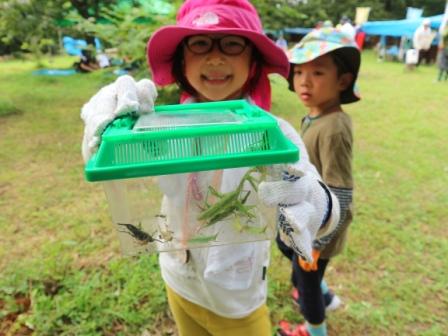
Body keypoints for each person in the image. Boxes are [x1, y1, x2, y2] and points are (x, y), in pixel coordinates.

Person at [80, 1, 341, 335]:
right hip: (177, 280)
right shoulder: (161, 126)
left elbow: (322, 207)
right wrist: (103, 131)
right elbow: (103, 161)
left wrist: (317, 204)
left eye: (233, 44)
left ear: (253, 60)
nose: (216, 57)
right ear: (181, 60)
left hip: (237, 299)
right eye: (199, 43)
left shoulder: (271, 133)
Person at [277, 28, 361, 336]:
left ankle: (315, 329)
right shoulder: (315, 116)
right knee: (291, 258)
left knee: (306, 286)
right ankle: (327, 295)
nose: (304, 81)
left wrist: (316, 244)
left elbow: (340, 191)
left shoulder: (334, 127)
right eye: (298, 72)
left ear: (342, 81)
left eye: (317, 72)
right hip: (307, 221)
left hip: (319, 231)